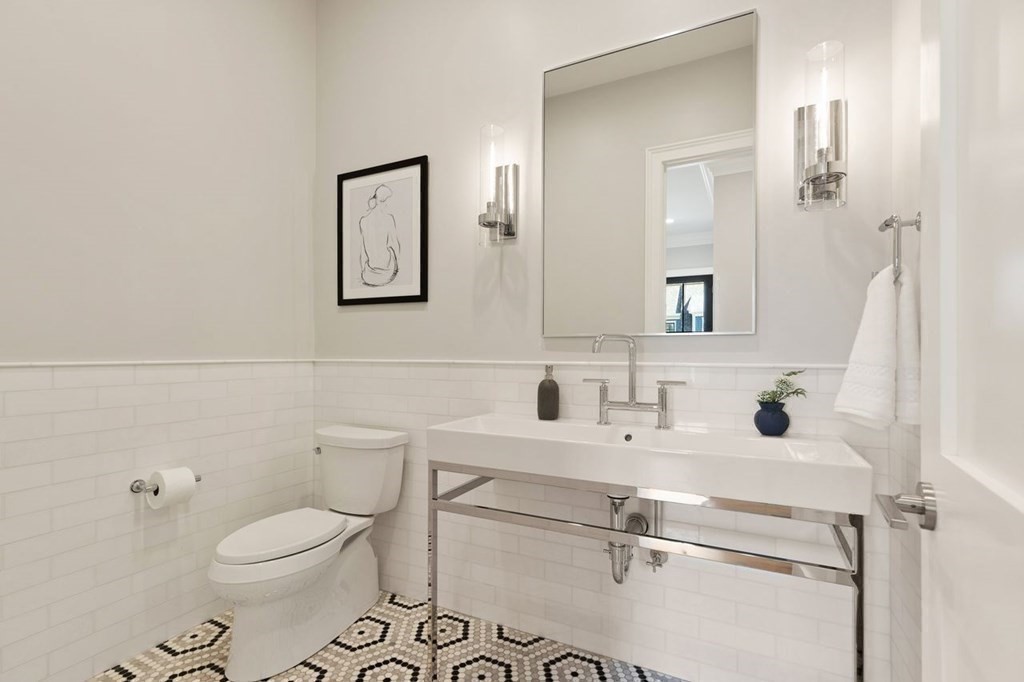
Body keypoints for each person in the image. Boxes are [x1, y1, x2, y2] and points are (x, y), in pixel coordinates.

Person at [358, 184, 400, 286]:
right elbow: (395, 246)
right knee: (391, 250)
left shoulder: (363, 221)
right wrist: (397, 266)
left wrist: (363, 270)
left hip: (368, 275)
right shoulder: (389, 219)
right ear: (385, 201)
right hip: (387, 273)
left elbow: (363, 251)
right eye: (387, 201)